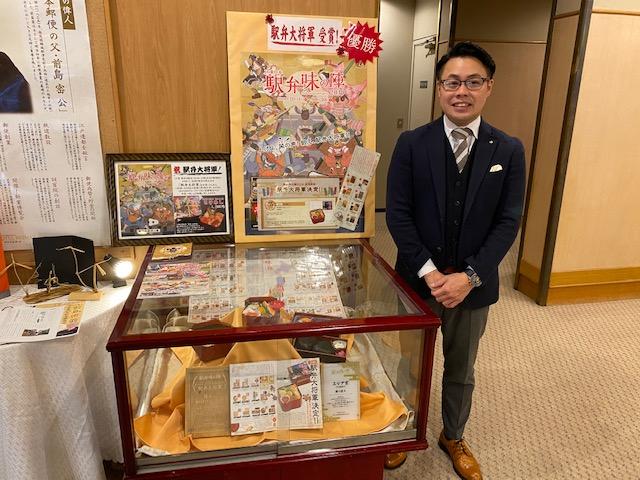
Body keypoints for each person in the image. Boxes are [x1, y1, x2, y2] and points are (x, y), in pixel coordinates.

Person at [385, 42, 526, 479]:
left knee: (462, 368)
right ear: (439, 88)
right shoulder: (412, 144)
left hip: (473, 287)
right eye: (452, 82)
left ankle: (454, 435)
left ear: (489, 87)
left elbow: (508, 221)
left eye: (472, 82)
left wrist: (469, 276)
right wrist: (430, 274)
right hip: (418, 281)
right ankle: (405, 429)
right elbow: (398, 215)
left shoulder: (508, 149)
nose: (461, 91)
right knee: (410, 362)